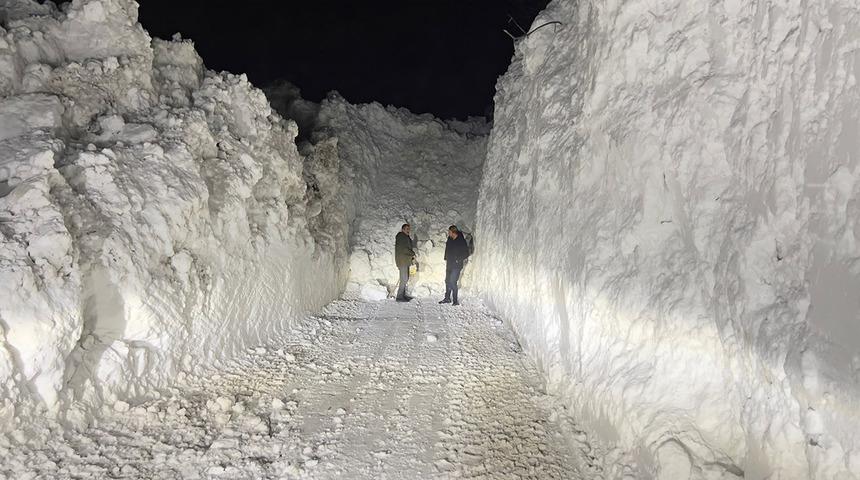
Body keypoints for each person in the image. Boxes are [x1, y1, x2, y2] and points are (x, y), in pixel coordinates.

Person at [440, 225, 469, 306]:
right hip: (449, 263)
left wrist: (458, 259)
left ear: (453, 232)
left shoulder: (461, 241)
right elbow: (447, 249)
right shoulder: (450, 239)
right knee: (447, 281)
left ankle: (455, 300)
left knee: (453, 281)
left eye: (449, 232)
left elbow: (466, 253)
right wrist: (446, 258)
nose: (448, 233)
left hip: (456, 265)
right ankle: (447, 298)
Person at [394, 223, 416, 302]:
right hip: (402, 261)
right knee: (404, 279)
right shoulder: (401, 237)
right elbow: (404, 249)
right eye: (407, 229)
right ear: (403, 229)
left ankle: (403, 295)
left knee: (405, 279)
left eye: (409, 229)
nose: (408, 230)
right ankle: (399, 297)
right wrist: (413, 253)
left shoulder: (405, 237)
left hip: (406, 260)